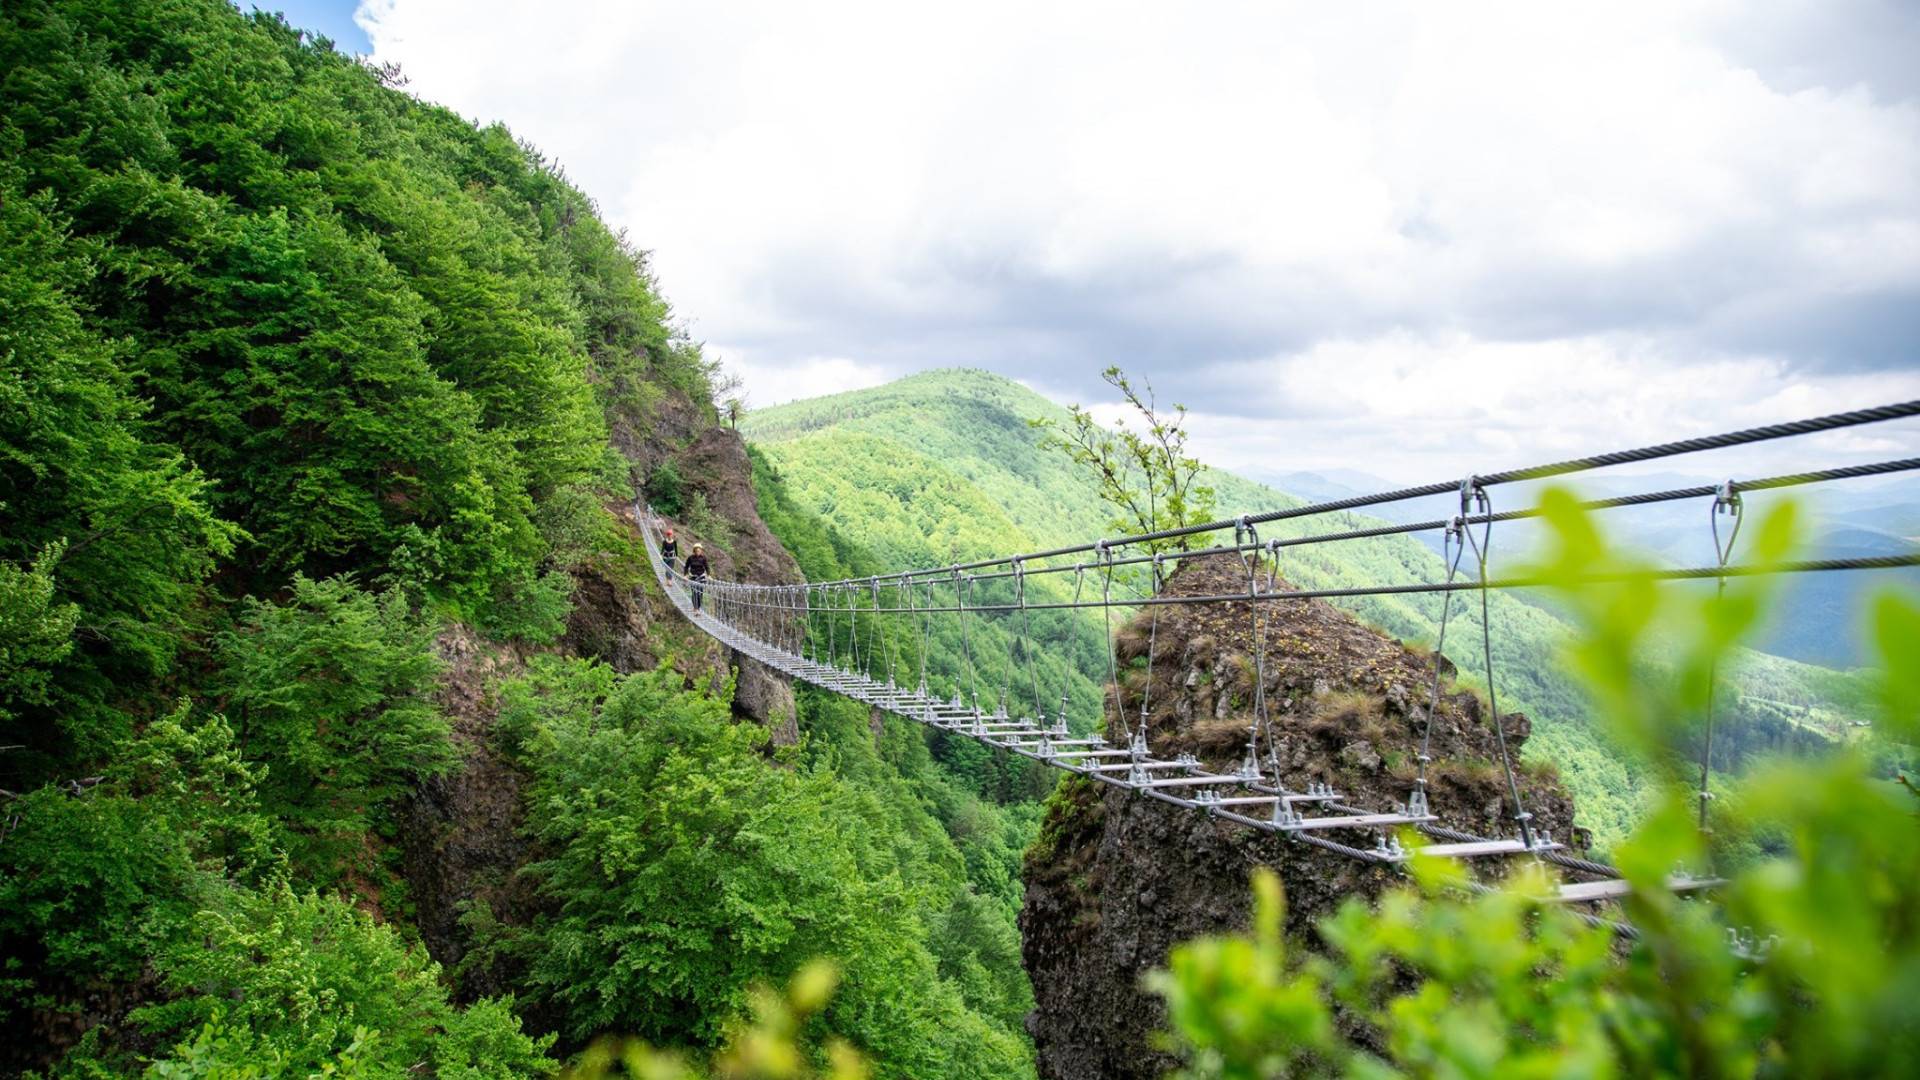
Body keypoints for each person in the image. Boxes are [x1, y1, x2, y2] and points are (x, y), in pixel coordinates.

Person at [684, 543, 710, 612]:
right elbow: (686, 566)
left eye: (699, 550)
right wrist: (686, 575)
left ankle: (698, 607)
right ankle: (696, 608)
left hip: (701, 577)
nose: (698, 551)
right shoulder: (690, 558)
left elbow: (707, 567)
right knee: (694, 593)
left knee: (700, 593)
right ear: (694, 550)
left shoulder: (703, 558)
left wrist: (709, 575)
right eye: (696, 550)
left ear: (701, 551)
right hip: (693, 577)